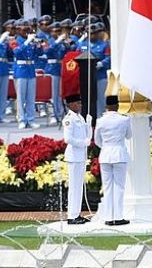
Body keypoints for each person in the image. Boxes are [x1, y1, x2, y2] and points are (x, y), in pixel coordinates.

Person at [95, 95, 132, 226]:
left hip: (105, 154)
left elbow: (97, 140)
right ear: (117, 106)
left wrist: (106, 146)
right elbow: (129, 136)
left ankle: (109, 217)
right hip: (119, 154)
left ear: (106, 106)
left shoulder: (100, 121)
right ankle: (118, 216)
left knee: (108, 187)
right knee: (119, 187)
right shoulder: (124, 120)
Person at [63, 94, 92, 224]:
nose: (79, 105)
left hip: (80, 156)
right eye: (77, 103)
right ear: (70, 105)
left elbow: (87, 137)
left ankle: (77, 213)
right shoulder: (69, 119)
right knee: (74, 186)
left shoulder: (79, 117)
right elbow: (68, 139)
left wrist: (89, 125)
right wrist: (82, 143)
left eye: (80, 103)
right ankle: (71, 216)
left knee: (79, 186)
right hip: (74, 156)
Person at [10, 20, 41, 129]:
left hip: (30, 70)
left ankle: (31, 119)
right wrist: (27, 42)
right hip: (21, 70)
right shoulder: (15, 41)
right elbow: (16, 52)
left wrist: (38, 46)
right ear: (18, 30)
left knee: (31, 97)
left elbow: (38, 55)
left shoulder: (31, 41)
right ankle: (21, 119)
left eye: (28, 29)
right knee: (21, 97)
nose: (27, 32)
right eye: (24, 29)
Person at [44, 22, 68, 125]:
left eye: (59, 31)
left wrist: (66, 43)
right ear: (51, 32)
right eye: (55, 31)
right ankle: (53, 115)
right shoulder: (48, 41)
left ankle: (61, 113)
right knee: (52, 94)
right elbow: (47, 52)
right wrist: (57, 41)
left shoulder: (62, 42)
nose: (57, 33)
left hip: (60, 68)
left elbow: (67, 52)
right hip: (51, 69)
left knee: (60, 94)